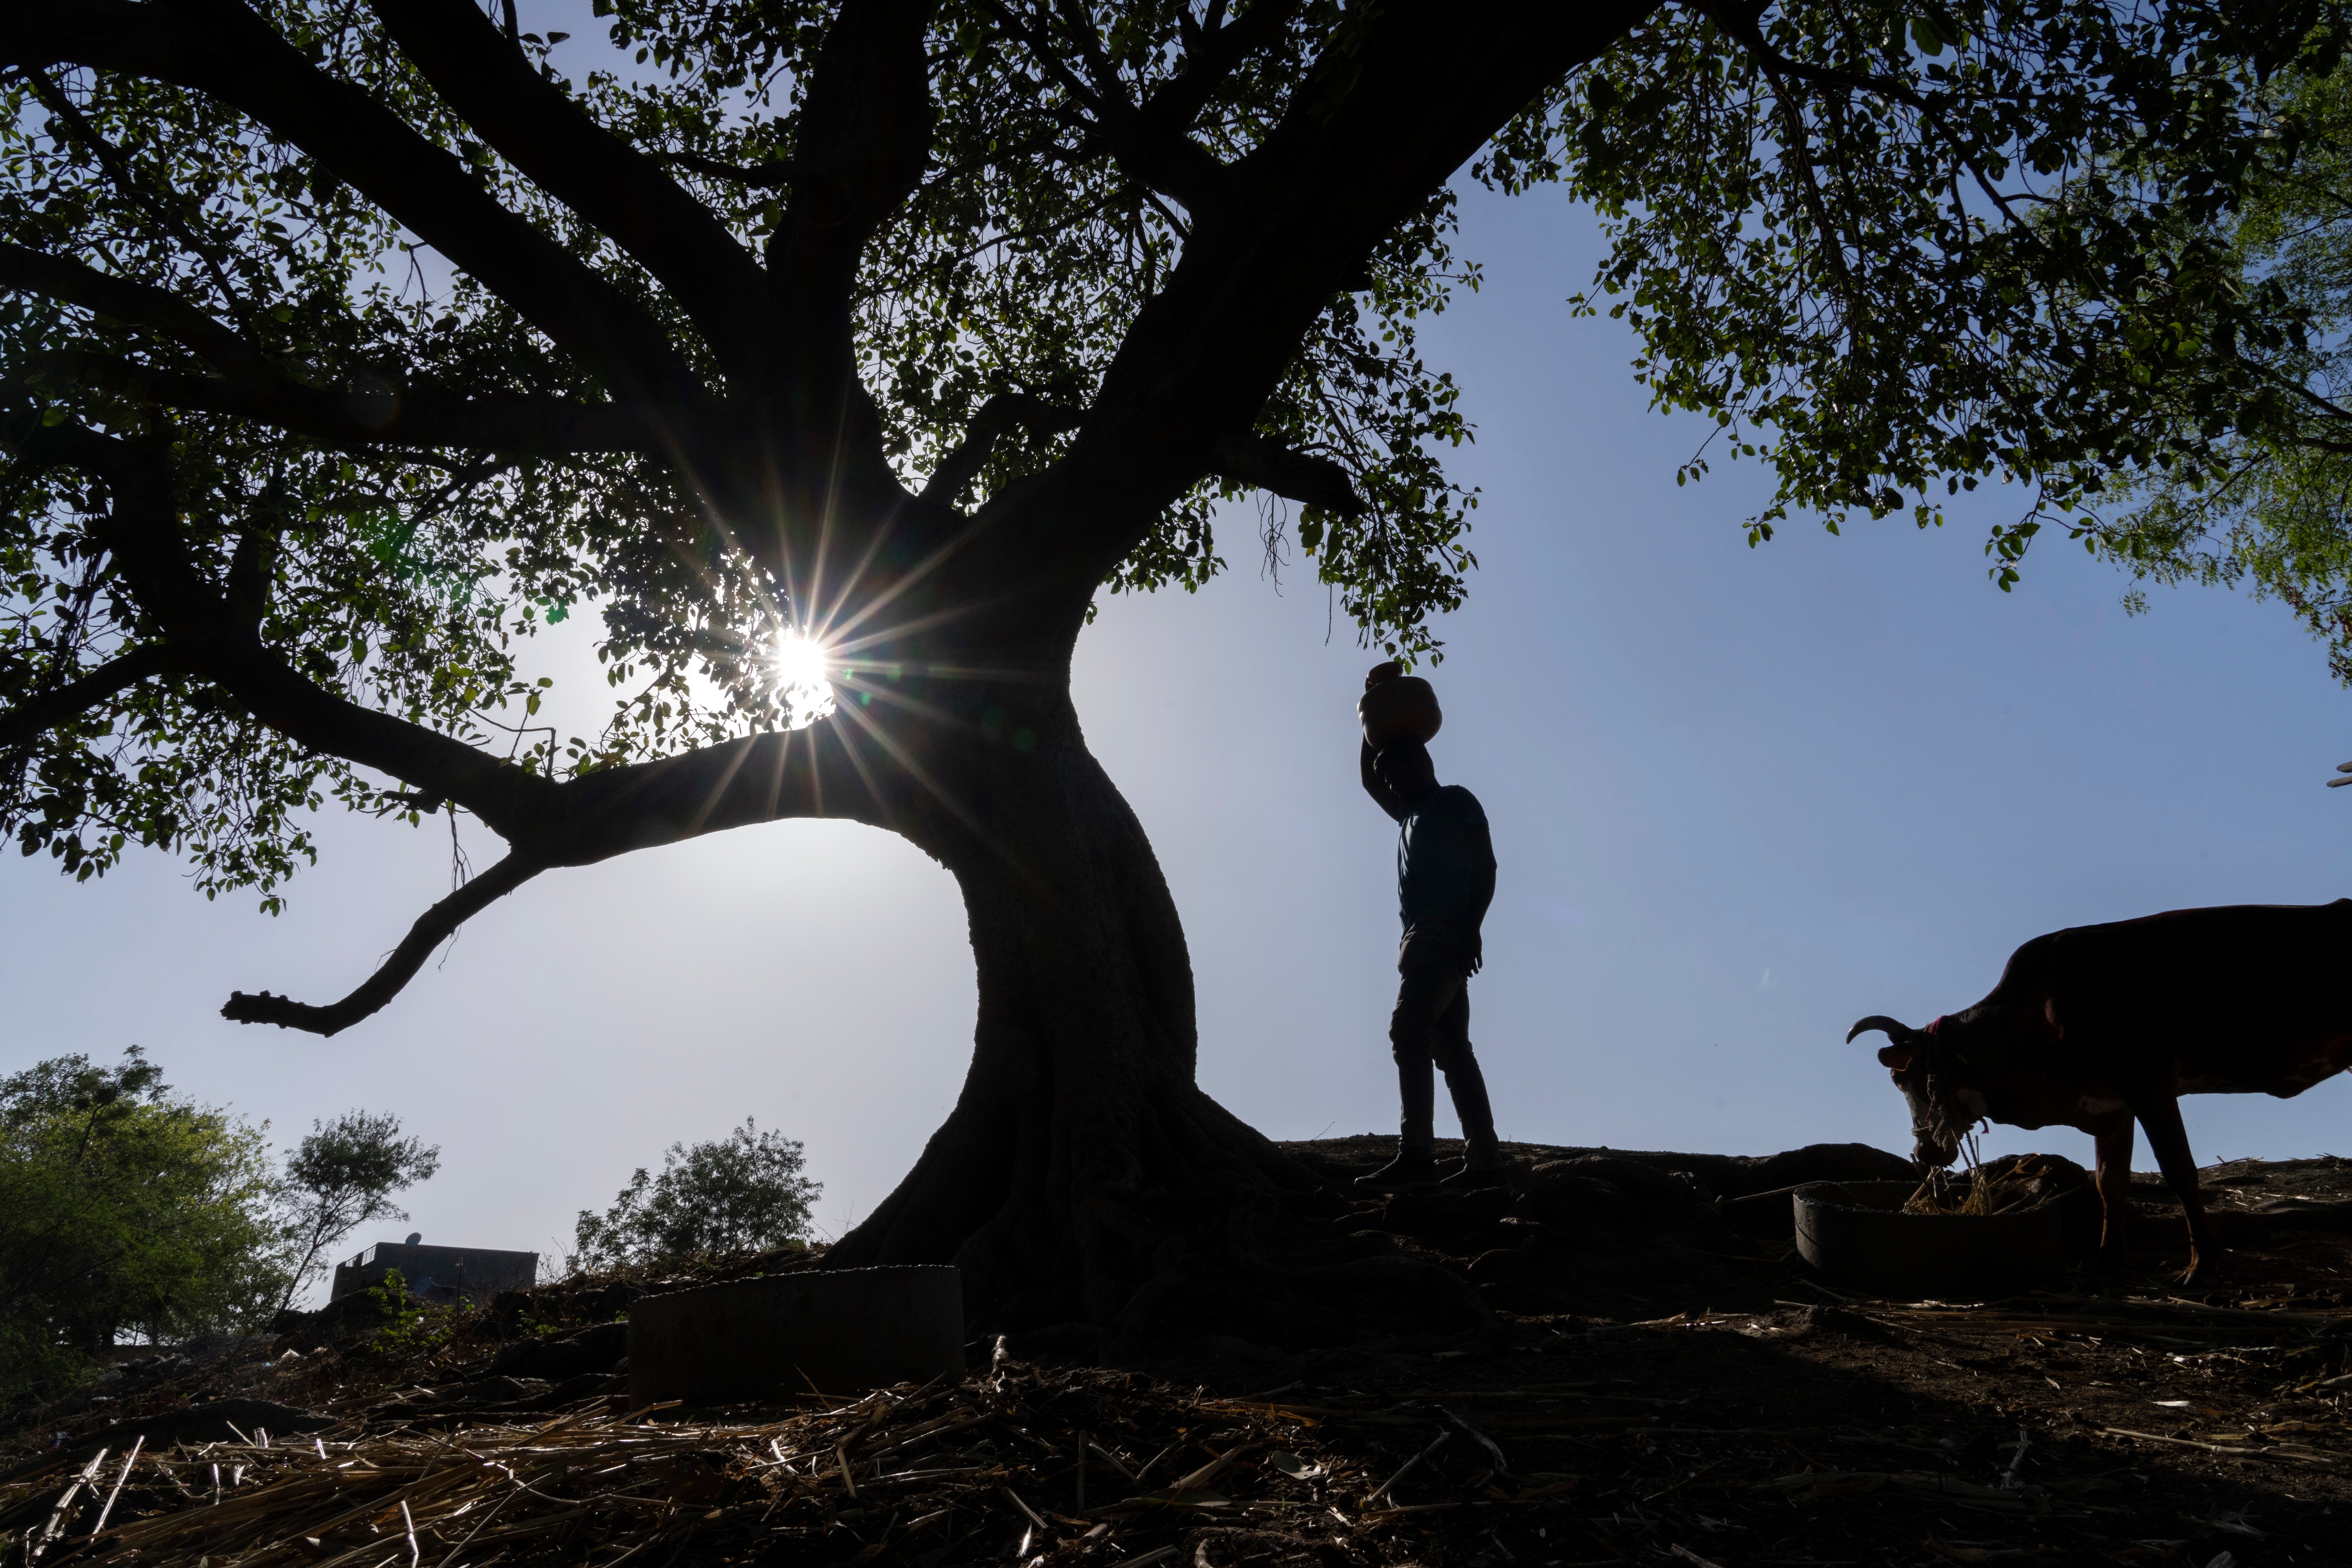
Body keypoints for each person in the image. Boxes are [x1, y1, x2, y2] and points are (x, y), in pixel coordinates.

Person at [1357, 733, 1501, 1191]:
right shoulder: (1408, 814)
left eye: (1393, 772)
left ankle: (1417, 1157)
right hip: (1423, 939)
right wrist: (1370, 721)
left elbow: (1486, 866)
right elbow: (1367, 780)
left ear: (1420, 762)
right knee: (1453, 1050)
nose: (1389, 783)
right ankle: (1485, 1162)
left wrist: (1472, 927)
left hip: (1444, 933)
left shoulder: (1453, 801)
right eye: (1385, 776)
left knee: (1409, 1029)